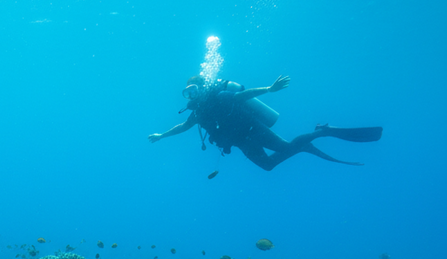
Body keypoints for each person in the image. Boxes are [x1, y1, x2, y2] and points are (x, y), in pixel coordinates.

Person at [149, 74, 382, 171]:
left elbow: (244, 95)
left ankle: (322, 132)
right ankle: (304, 145)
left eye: (194, 90)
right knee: (268, 166)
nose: (191, 95)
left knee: (284, 148)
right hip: (241, 141)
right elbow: (183, 127)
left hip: (253, 130)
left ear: (203, 87)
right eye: (187, 93)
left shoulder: (219, 97)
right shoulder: (198, 112)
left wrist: (269, 89)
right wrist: (161, 135)